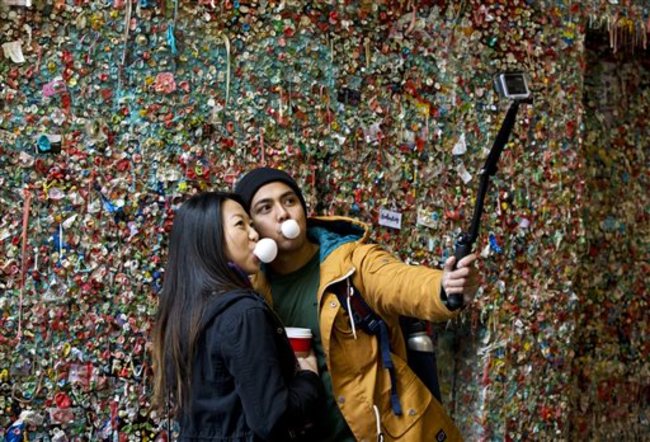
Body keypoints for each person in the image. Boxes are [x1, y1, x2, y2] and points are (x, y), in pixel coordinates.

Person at [235, 167, 479, 441]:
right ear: (252, 227)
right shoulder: (251, 290)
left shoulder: (351, 261)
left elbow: (399, 281)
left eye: (289, 200)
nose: (283, 213)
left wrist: (444, 286)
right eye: (265, 208)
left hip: (377, 432)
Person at [151, 191, 324, 441]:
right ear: (209, 239)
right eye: (240, 225)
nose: (255, 235)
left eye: (252, 225)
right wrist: (309, 378)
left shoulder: (184, 312)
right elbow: (273, 420)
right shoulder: (243, 313)